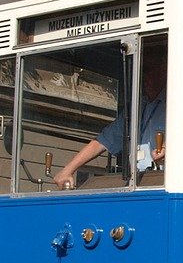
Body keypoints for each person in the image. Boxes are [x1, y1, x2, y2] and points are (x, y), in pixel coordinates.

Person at [54, 48, 167, 190]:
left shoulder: (176, 105)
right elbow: (102, 141)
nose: (143, 76)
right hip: (138, 184)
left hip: (165, 184)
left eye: (147, 69)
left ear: (163, 71)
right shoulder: (137, 108)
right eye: (140, 71)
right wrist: (68, 170)